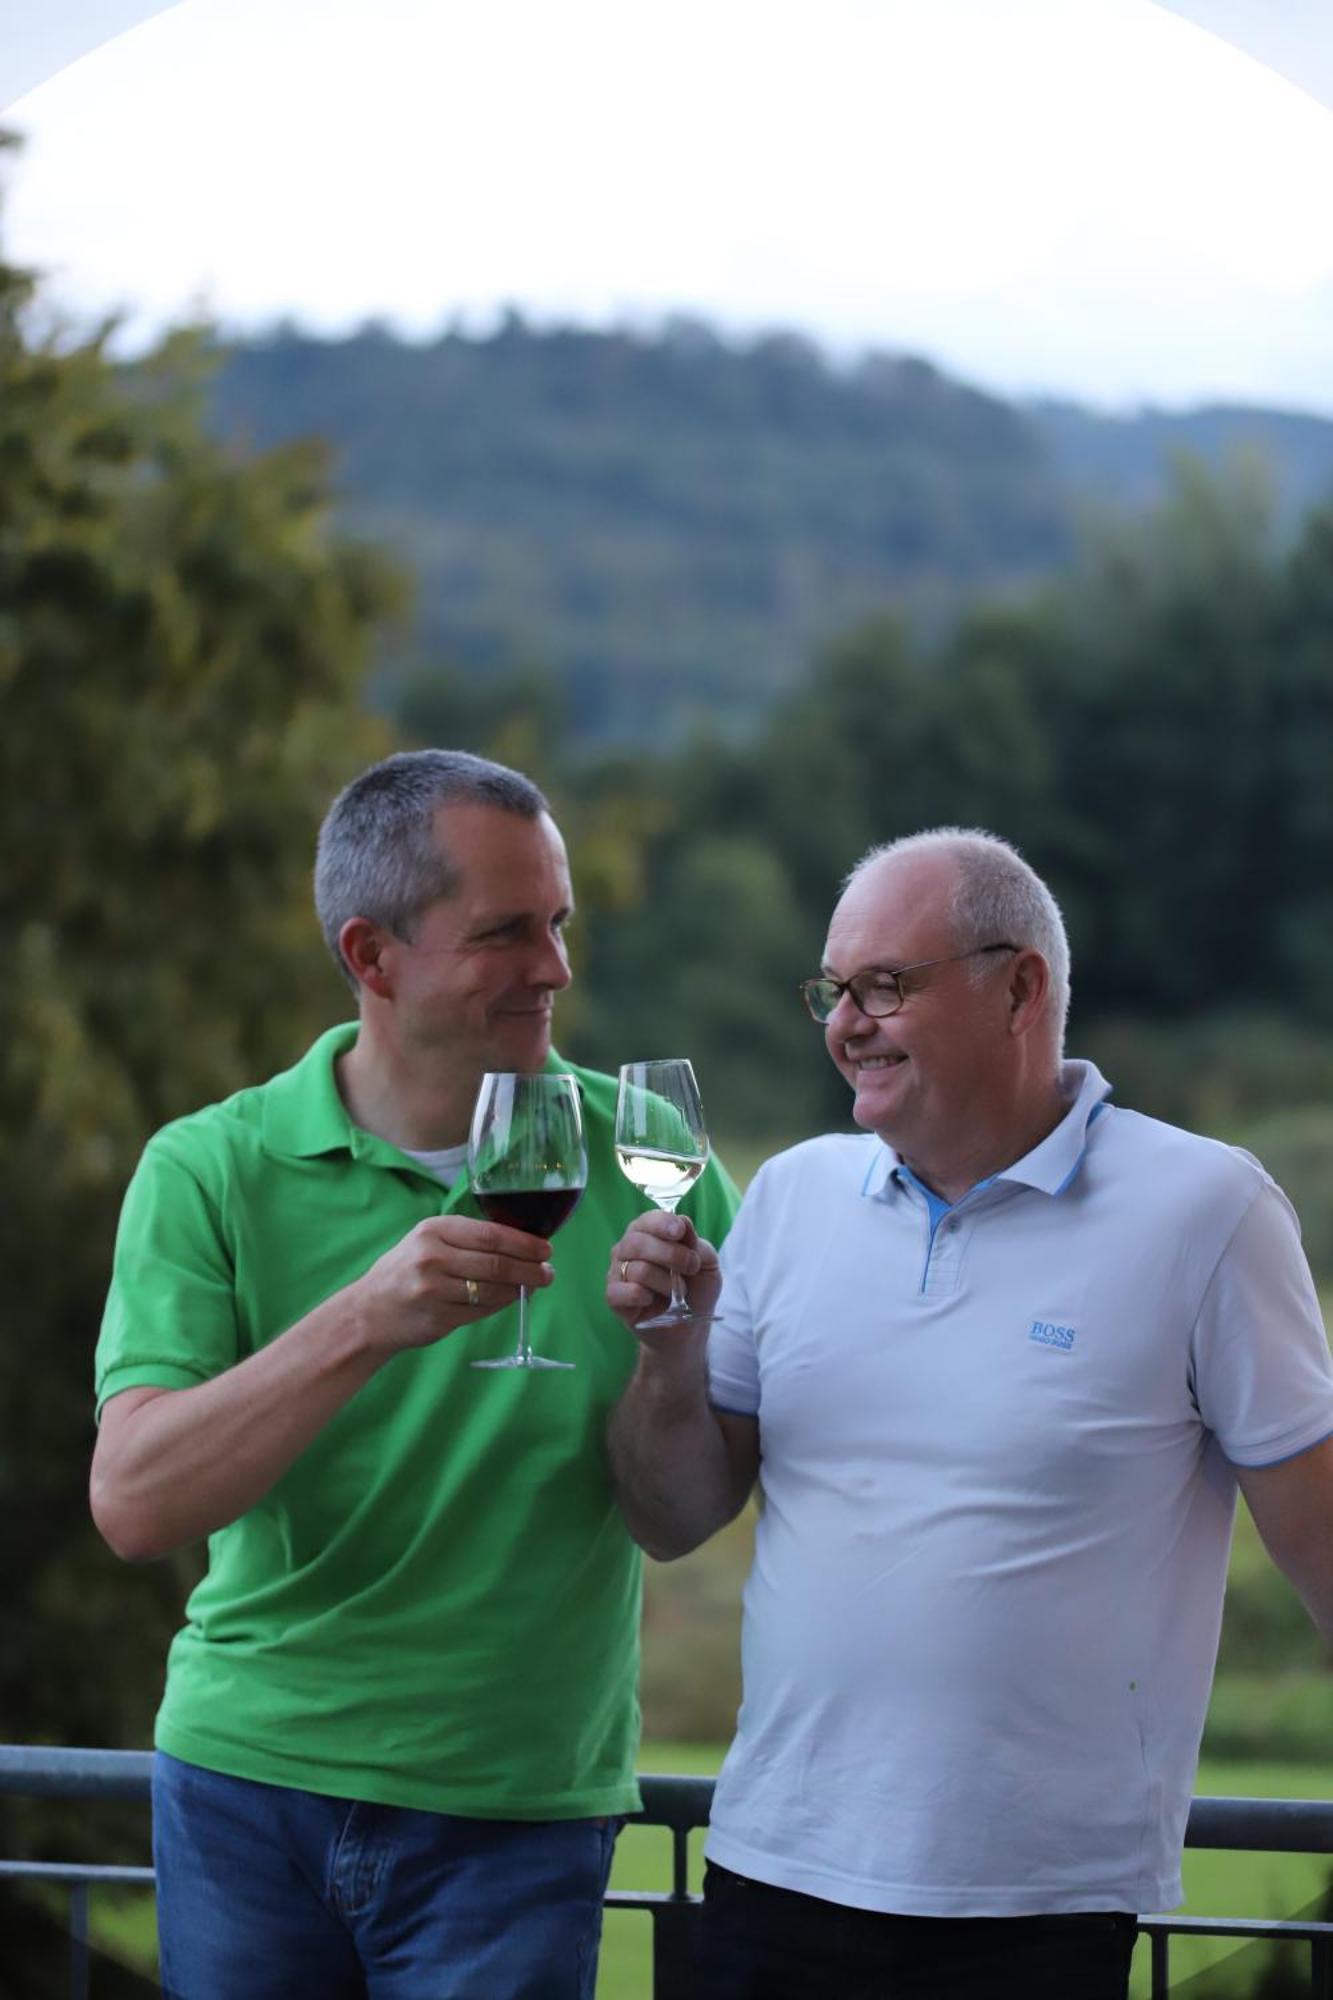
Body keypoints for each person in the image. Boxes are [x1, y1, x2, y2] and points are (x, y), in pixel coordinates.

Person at [606, 826, 1333, 2000]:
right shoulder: (791, 1195)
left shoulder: (1207, 1208)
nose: (848, 1020)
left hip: (1036, 1913)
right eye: (833, 990)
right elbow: (670, 1514)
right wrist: (668, 1356)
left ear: (1020, 988)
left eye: (886, 984)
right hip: (766, 1880)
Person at [90, 748, 738, 2000]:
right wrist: (364, 1320)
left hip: (515, 1809)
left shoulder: (653, 1158)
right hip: (245, 1791)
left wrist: (671, 1358)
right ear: (371, 954)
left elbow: (680, 1524)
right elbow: (134, 1500)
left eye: (558, 922)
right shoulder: (210, 1167)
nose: (554, 966)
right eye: (505, 932)